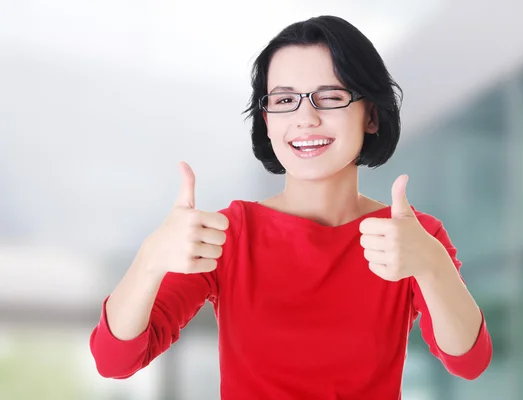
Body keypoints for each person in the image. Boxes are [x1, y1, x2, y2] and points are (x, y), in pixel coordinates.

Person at [89, 15, 492, 399]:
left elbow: (469, 362)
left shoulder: (411, 237)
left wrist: (432, 265)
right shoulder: (228, 235)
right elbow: (115, 360)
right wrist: (150, 260)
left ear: (371, 114)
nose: (305, 118)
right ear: (266, 119)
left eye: (330, 97)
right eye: (284, 100)